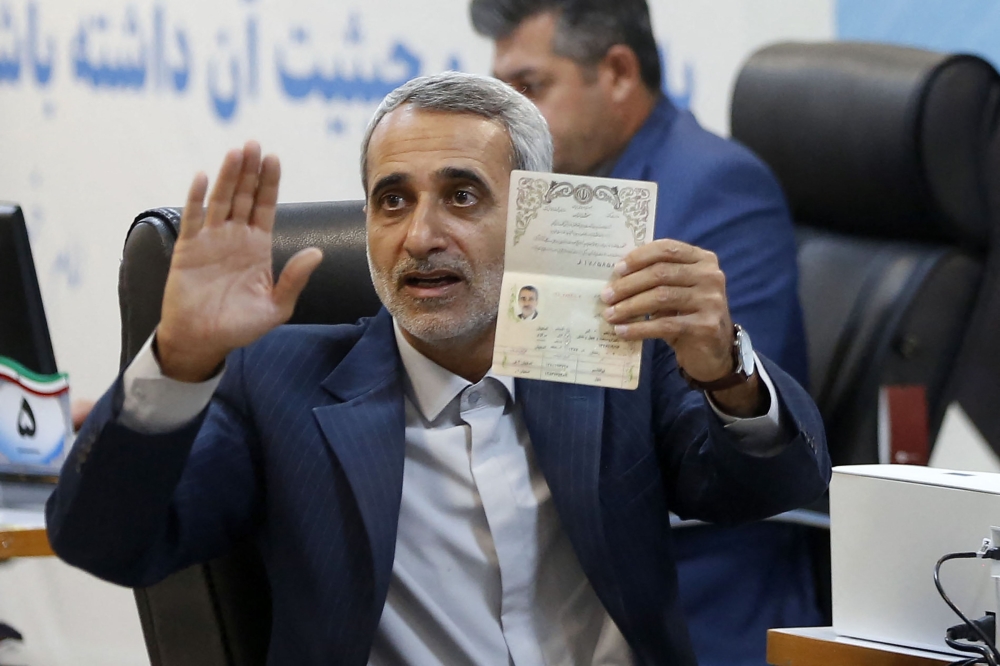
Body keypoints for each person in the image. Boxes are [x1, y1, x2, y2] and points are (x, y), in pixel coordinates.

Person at [46, 72, 829, 665]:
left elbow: (774, 488)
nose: (421, 234)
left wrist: (725, 371)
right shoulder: (276, 383)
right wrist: (180, 361)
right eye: (392, 201)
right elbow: (105, 542)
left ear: (533, 219)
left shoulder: (611, 353)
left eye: (461, 196)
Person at [470, 2, 820, 664]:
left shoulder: (715, 188)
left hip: (694, 592)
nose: (509, 120)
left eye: (530, 87)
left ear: (619, 73)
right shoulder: (546, 193)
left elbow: (712, 432)